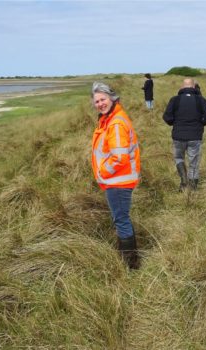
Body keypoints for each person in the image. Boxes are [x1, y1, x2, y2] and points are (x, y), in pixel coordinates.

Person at [91, 82, 141, 269]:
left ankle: (130, 264)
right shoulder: (110, 118)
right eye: (96, 101)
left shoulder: (116, 123)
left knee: (121, 220)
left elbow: (119, 158)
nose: (100, 104)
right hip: (119, 180)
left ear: (112, 98)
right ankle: (130, 259)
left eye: (103, 99)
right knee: (122, 218)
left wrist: (102, 172)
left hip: (118, 181)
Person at [163, 78, 206, 191]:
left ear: (182, 87)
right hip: (195, 136)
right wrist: (201, 124)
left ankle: (184, 181)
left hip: (178, 136)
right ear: (194, 87)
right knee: (193, 161)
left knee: (179, 158)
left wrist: (174, 123)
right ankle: (193, 186)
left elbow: (167, 117)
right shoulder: (201, 100)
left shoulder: (174, 100)